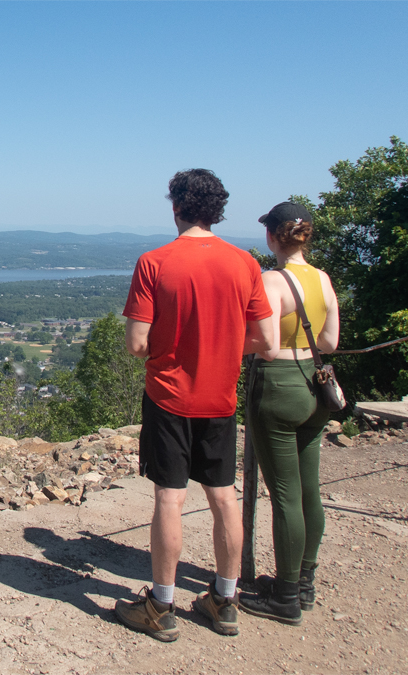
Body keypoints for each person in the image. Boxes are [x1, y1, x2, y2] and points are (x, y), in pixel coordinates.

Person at [113, 169, 274, 642]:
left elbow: (136, 345)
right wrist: (221, 348)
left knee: (170, 495)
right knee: (224, 494)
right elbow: (266, 339)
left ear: (175, 206)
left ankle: (160, 607)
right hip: (221, 399)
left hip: (169, 397)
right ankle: (225, 599)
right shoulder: (244, 263)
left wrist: (174, 345)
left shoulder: (154, 262)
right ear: (218, 210)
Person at [236, 202, 339, 626]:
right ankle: (305, 584)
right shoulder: (322, 279)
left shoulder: (272, 281)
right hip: (315, 386)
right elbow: (330, 341)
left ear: (272, 236)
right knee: (309, 489)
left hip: (278, 387)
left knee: (284, 495)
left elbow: (268, 345)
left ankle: (284, 595)